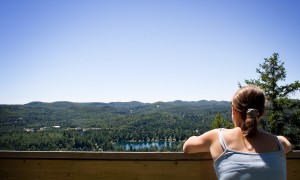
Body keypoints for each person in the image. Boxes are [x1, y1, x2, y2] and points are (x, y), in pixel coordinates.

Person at [183, 85, 291, 180]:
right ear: (261, 113)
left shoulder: (217, 137)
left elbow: (187, 147)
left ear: (233, 110)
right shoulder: (279, 143)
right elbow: (287, 145)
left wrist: (192, 136)